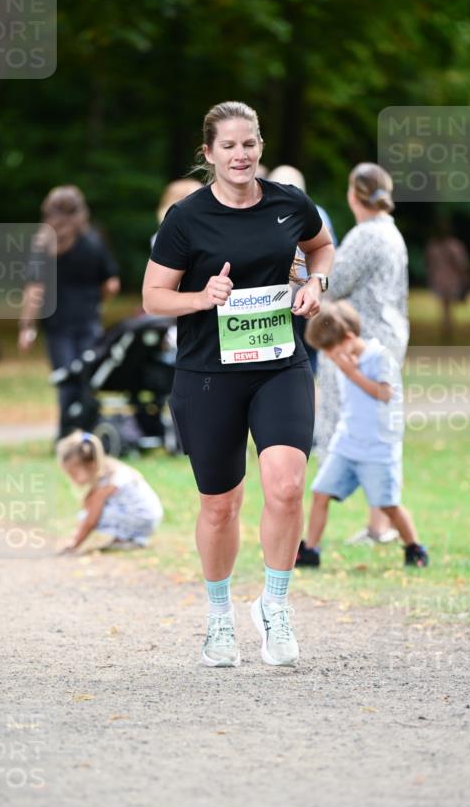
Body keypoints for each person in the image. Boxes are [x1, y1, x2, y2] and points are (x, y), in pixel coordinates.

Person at [142, 100, 334, 668]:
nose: (240, 154)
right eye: (227, 146)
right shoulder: (185, 218)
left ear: (260, 147)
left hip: (279, 364)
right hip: (207, 376)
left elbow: (319, 246)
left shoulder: (288, 203)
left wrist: (316, 281)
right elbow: (152, 298)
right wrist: (204, 297)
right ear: (209, 154)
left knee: (286, 486)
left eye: (248, 143)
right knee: (221, 505)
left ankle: (275, 606)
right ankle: (219, 619)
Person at [316, 162, 409, 547]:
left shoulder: (364, 236)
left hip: (360, 342)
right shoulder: (391, 233)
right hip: (390, 335)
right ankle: (379, 523)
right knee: (376, 426)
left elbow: (332, 284)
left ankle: (377, 521)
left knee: (356, 426)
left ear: (354, 194)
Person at [297, 301, 428, 569]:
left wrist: (352, 373)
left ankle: (414, 547)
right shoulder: (345, 361)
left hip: (378, 448)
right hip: (347, 443)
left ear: (349, 338)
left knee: (388, 504)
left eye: (331, 350)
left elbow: (385, 393)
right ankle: (310, 550)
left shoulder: (379, 357)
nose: (330, 357)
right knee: (320, 493)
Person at [18, 186, 121, 439]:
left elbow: (34, 290)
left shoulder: (43, 244)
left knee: (64, 378)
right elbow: (111, 284)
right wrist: (99, 302)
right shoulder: (93, 241)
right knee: (87, 377)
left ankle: (65, 434)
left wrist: (27, 326)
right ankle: (88, 432)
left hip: (57, 323)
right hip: (88, 320)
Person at [267, 165, 337, 374]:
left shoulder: (315, 215)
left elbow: (328, 251)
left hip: (306, 293)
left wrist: (320, 287)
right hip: (284, 295)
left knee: (307, 351)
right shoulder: (318, 212)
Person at [56, 430, 163, 553]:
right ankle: (128, 539)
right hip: (149, 517)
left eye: (73, 474)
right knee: (90, 510)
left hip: (142, 517)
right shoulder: (110, 469)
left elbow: (91, 520)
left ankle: (126, 539)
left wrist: (75, 544)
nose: (71, 479)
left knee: (87, 514)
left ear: (91, 464)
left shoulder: (107, 481)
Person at [425, 225, 470, 340]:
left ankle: (447, 328)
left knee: (445, 306)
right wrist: (466, 277)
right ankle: (448, 328)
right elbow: (461, 264)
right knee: (447, 306)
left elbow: (429, 264)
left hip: (438, 278)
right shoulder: (454, 246)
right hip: (450, 279)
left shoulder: (432, 246)